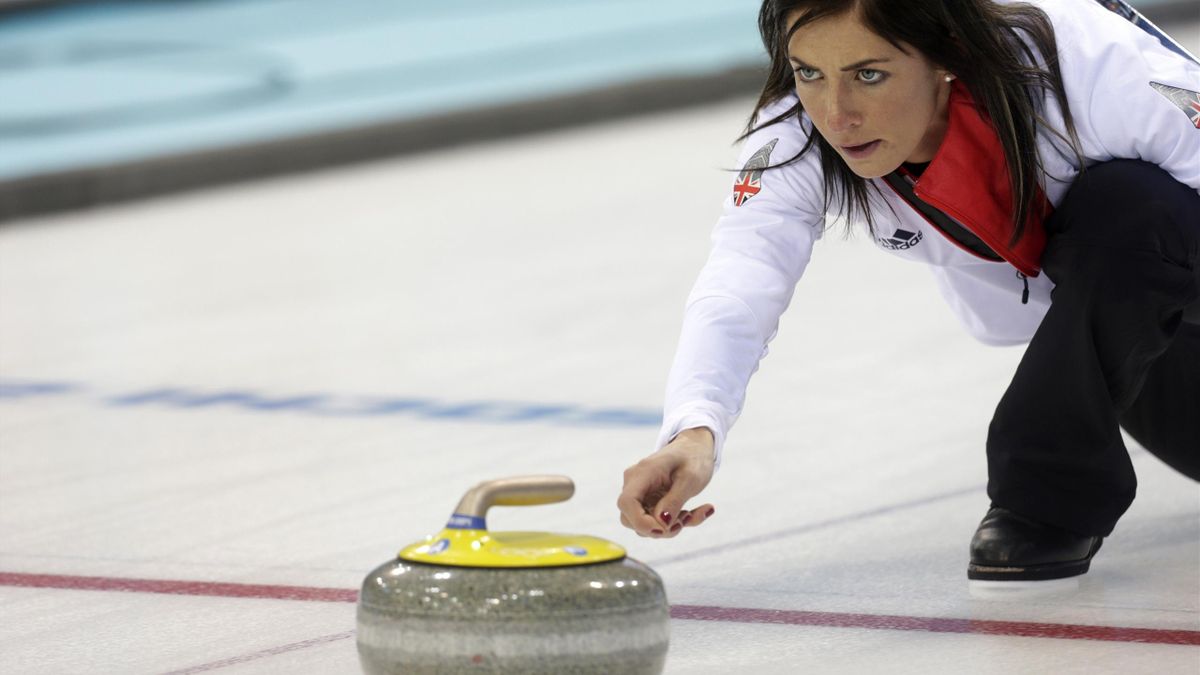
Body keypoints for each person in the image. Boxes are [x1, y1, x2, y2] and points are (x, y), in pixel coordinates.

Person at [617, 0, 1200, 583]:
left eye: (869, 74)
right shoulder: (796, 137)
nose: (836, 115)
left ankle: (1044, 502)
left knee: (1130, 205)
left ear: (949, 52)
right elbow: (741, 275)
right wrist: (695, 430)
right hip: (1152, 346)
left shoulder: (1088, 66)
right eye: (809, 72)